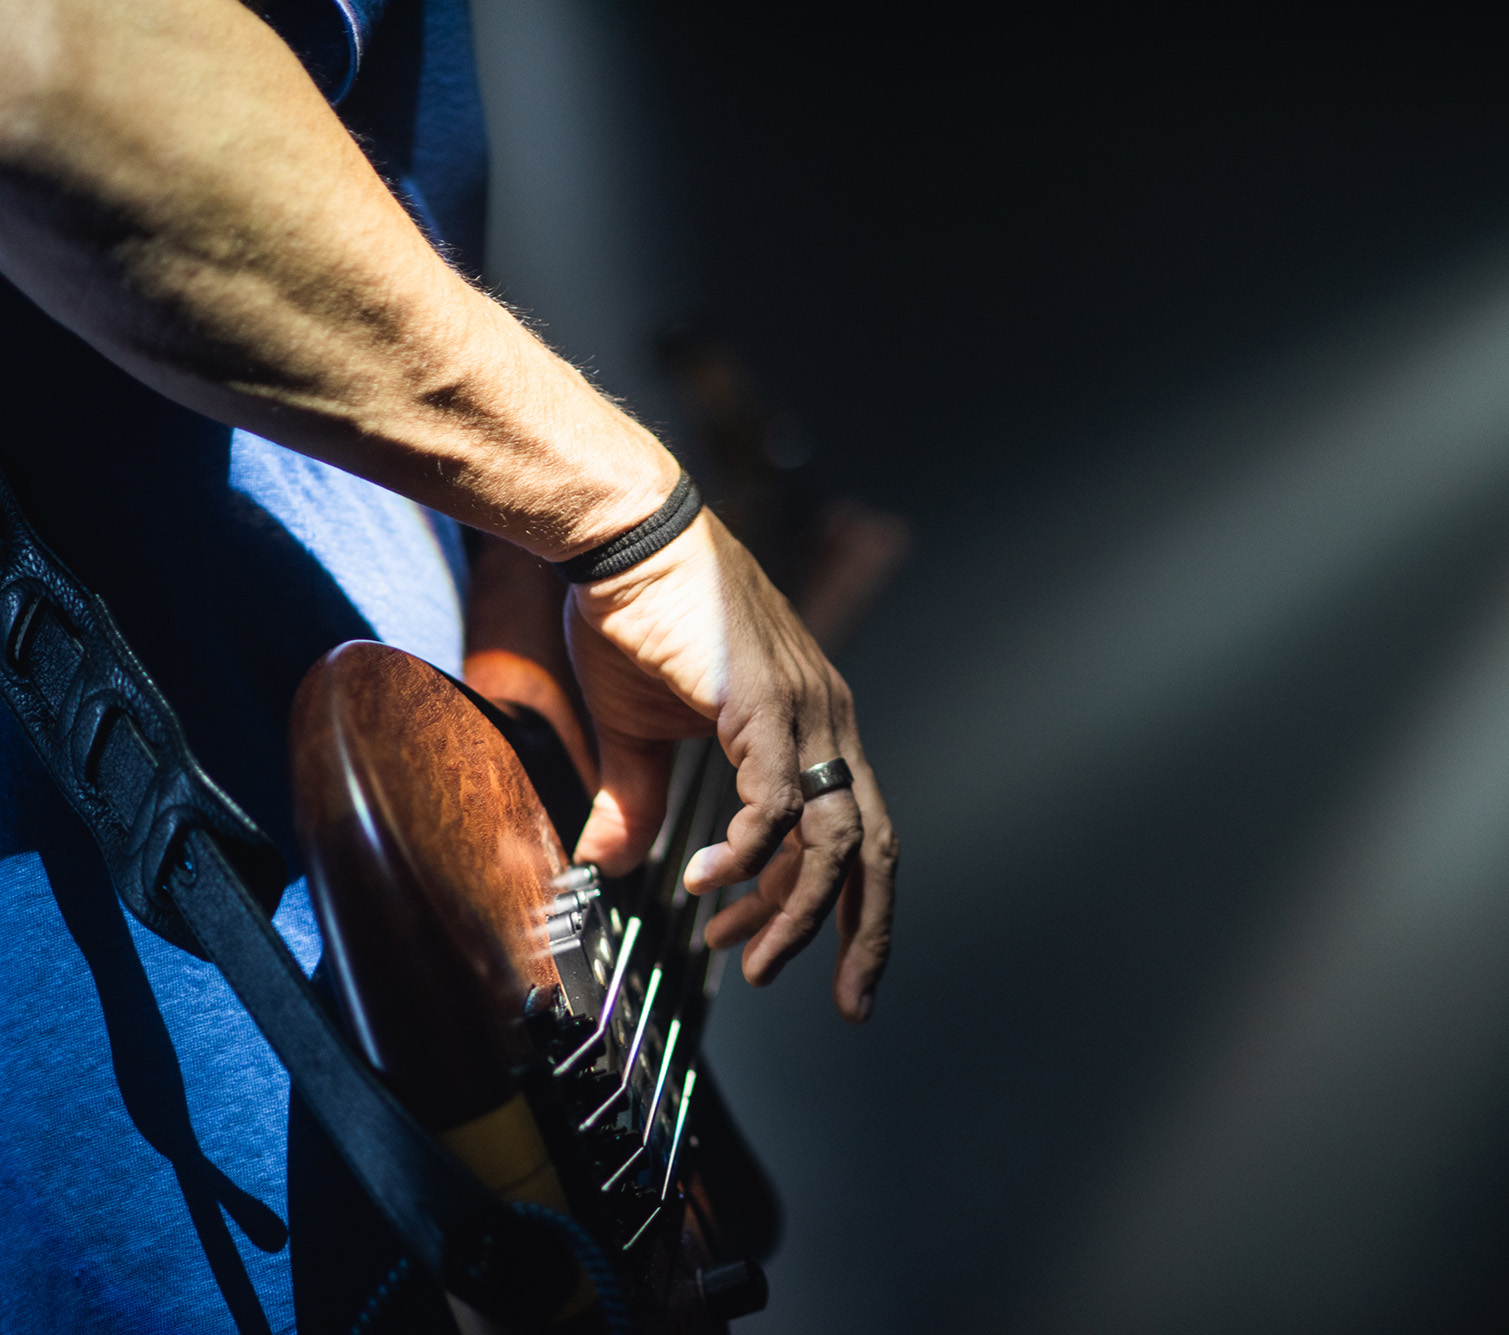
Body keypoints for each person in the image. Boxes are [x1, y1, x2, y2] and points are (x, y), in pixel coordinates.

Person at [0, 0, 896, 1328]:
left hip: (424, 1169)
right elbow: (39, 66)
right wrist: (637, 522)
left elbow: (357, 393)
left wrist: (546, 660)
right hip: (147, 1147)